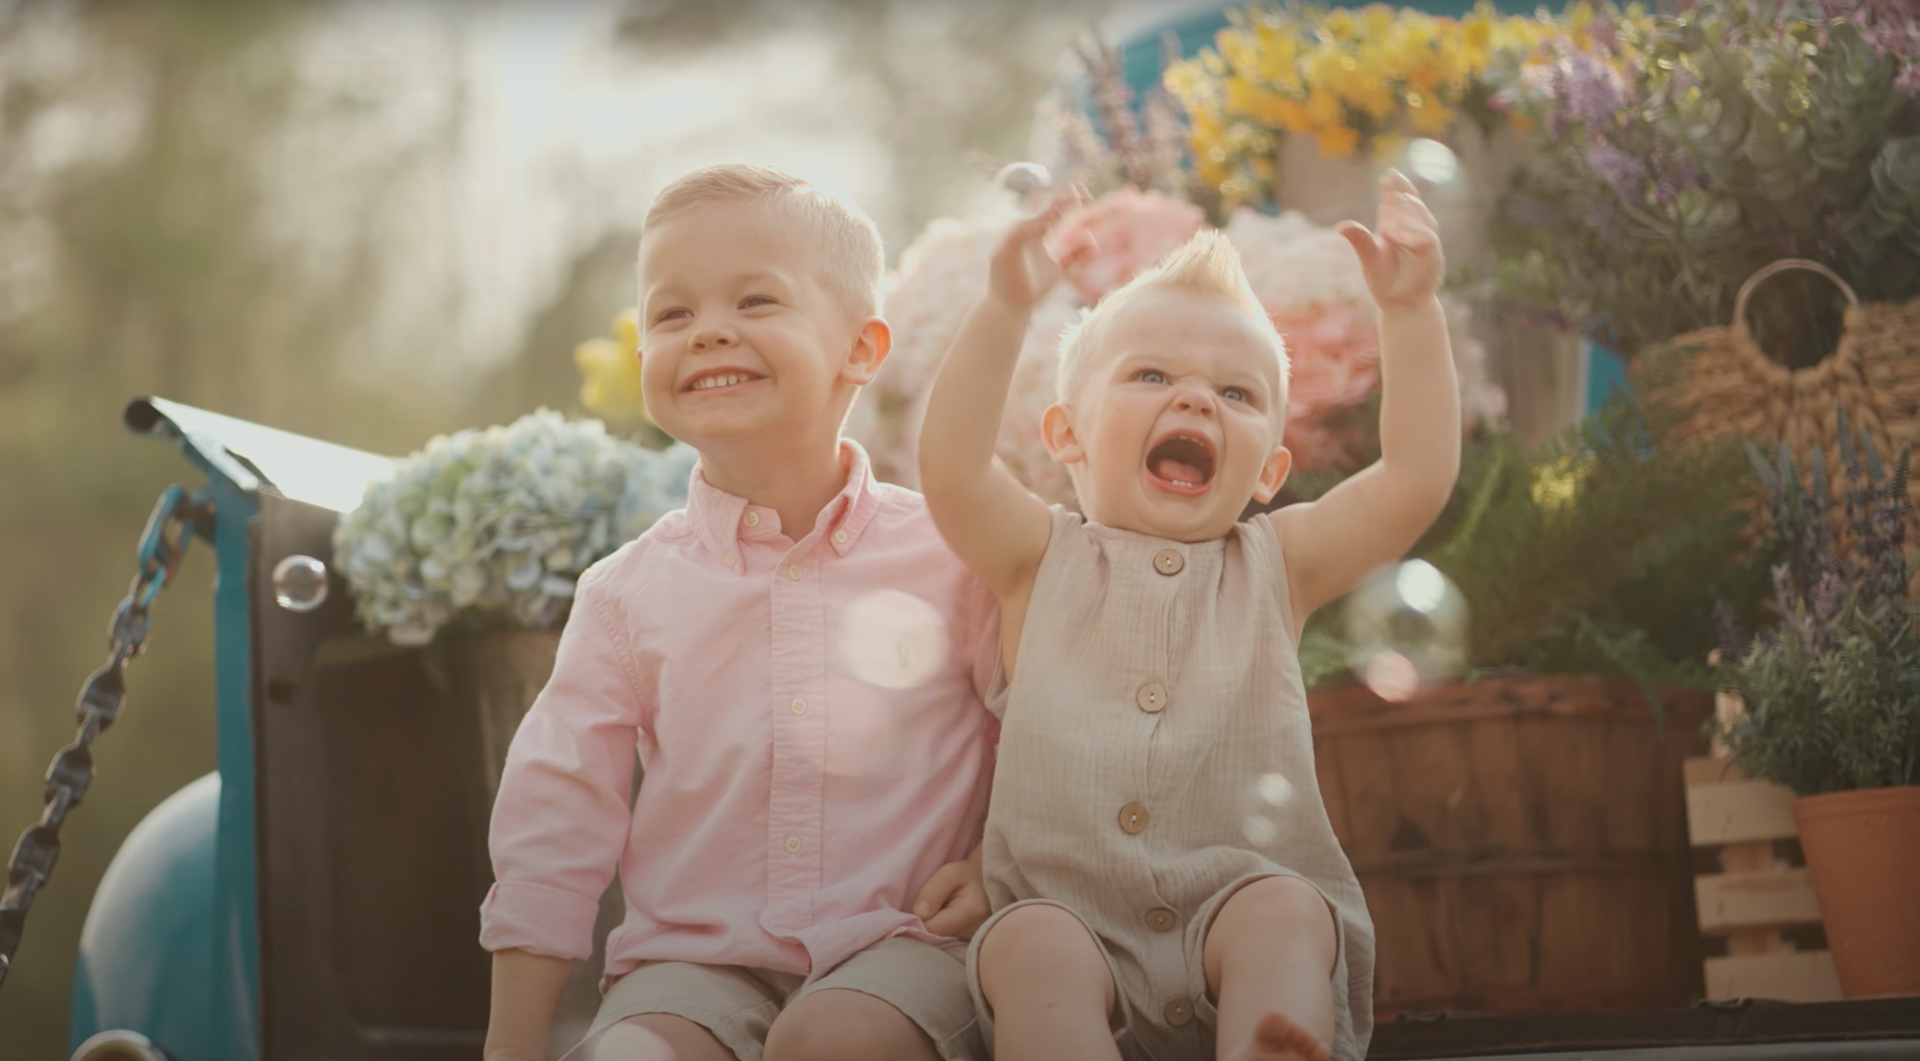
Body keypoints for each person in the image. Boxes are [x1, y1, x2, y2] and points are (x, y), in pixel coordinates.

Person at [915, 171, 1460, 1061]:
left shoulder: (1278, 565)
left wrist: (1411, 313)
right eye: (1152, 375)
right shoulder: (1037, 559)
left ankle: (1268, 1044)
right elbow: (952, 468)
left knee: (1285, 909)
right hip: (1074, 932)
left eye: (1237, 395)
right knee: (1027, 945)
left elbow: (1413, 479)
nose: (1197, 399)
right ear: (1066, 437)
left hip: (1231, 923)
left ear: (1270, 473)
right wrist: (1006, 305)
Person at [481, 164, 1000, 1061]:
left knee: (829, 1042)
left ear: (862, 349)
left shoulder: (956, 554)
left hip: (907, 948)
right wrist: (511, 1048)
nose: (709, 330)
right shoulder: (623, 596)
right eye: (672, 315)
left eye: (756, 301)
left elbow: (1042, 726)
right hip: (692, 967)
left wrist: (1000, 861)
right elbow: (553, 822)